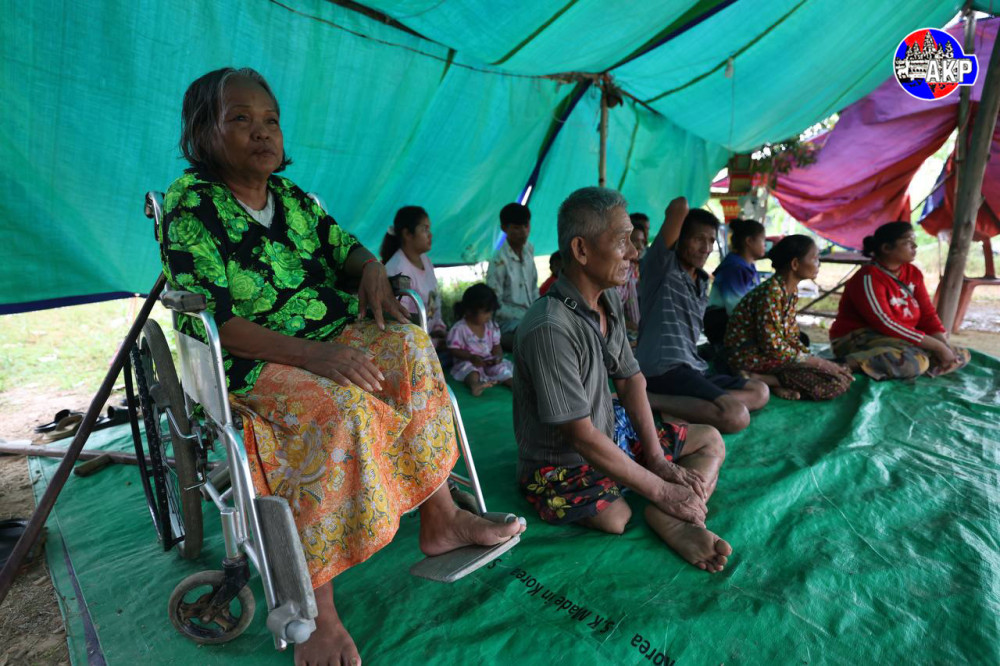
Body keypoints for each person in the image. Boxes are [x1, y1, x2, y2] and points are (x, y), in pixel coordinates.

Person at [161, 67, 524, 666]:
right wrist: (318, 357)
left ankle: (441, 518)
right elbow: (218, 323)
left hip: (327, 332)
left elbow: (344, 247)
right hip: (249, 360)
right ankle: (318, 610)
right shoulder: (192, 206)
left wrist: (372, 269)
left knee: (411, 350)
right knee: (338, 407)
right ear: (204, 131)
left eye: (271, 120)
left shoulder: (292, 199)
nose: (262, 132)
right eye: (241, 119)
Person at [515, 187, 731, 573]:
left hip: (612, 432)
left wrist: (658, 461)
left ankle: (676, 518)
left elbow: (631, 381)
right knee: (615, 517)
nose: (633, 252)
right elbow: (580, 436)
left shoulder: (607, 299)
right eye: (622, 241)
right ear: (581, 250)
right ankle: (668, 507)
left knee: (711, 439)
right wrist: (662, 489)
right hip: (562, 460)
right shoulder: (549, 327)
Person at [636, 198, 769, 434]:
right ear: (679, 238)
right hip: (662, 369)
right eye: (698, 239)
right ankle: (651, 399)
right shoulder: (662, 267)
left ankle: (685, 406)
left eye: (711, 241)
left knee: (760, 392)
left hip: (693, 368)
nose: (706, 248)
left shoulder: (702, 281)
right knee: (736, 416)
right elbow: (679, 206)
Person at [830, 221, 970, 380]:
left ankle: (921, 364)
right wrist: (937, 347)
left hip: (899, 338)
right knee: (915, 361)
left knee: (961, 354)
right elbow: (885, 322)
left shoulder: (913, 273)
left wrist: (943, 345)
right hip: (861, 337)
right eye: (908, 242)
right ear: (886, 248)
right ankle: (841, 364)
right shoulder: (869, 276)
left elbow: (927, 315)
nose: (915, 246)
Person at [724, 236, 853, 401]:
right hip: (749, 357)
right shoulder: (771, 293)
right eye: (814, 258)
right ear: (795, 264)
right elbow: (772, 346)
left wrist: (813, 359)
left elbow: (791, 336)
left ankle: (772, 381)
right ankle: (765, 379)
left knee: (842, 373)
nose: (818, 264)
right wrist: (815, 362)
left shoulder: (789, 291)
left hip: (771, 356)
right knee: (835, 383)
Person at [380, 206, 448, 348]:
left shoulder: (426, 261)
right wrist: (431, 341)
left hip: (429, 342)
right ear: (407, 234)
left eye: (429, 229)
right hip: (412, 347)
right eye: (424, 229)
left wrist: (439, 329)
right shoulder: (397, 269)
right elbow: (401, 323)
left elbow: (434, 301)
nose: (430, 235)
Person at [703, 218, 766, 346]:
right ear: (749, 241)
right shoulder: (733, 268)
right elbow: (735, 308)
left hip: (738, 321)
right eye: (763, 240)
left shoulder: (749, 267)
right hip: (722, 325)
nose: (765, 245)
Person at [446, 283, 513, 396]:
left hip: (488, 361)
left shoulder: (491, 326)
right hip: (468, 361)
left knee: (501, 368)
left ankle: (512, 383)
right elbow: (453, 349)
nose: (489, 315)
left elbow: (496, 345)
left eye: (491, 311)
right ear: (469, 311)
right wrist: (470, 357)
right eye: (486, 312)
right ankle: (475, 385)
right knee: (470, 371)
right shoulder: (459, 328)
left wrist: (497, 357)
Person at [487, 203, 537, 350]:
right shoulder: (498, 261)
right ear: (504, 228)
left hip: (531, 318)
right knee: (535, 339)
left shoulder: (529, 250)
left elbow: (534, 289)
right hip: (506, 325)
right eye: (516, 228)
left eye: (526, 226)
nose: (523, 232)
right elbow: (495, 306)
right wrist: (527, 316)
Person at [616, 224, 646, 344]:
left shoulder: (632, 271)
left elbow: (631, 305)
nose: (640, 246)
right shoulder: (615, 272)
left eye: (642, 242)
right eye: (635, 241)